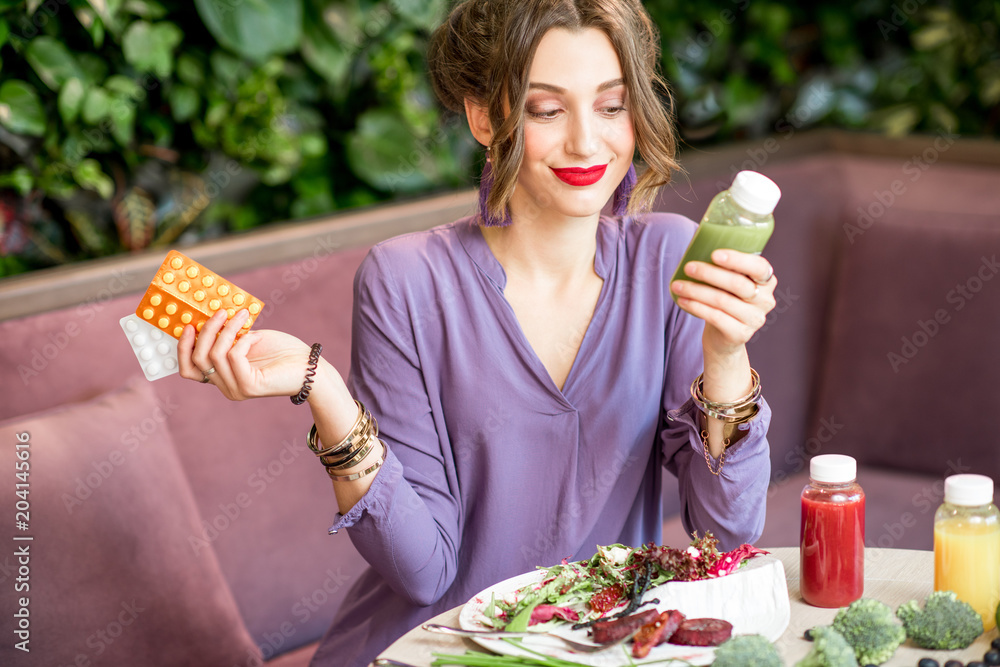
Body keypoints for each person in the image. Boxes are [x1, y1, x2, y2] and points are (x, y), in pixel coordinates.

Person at [177, 1, 778, 664]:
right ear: (485, 116)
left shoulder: (669, 259)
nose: (586, 141)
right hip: (428, 651)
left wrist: (725, 353)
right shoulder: (406, 280)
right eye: (547, 110)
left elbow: (724, 534)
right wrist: (325, 392)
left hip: (595, 651)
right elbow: (423, 571)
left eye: (611, 106)